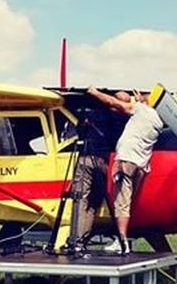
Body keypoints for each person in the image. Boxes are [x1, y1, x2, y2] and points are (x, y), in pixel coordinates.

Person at [87, 87, 165, 254]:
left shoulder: (141, 111)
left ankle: (121, 241)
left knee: (121, 203)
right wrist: (139, 100)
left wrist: (94, 92)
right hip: (141, 165)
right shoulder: (158, 120)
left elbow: (113, 102)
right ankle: (127, 236)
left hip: (126, 162)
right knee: (129, 203)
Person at [61, 104, 114, 255]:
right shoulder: (114, 118)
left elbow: (79, 132)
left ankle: (75, 240)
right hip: (103, 163)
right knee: (93, 203)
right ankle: (82, 239)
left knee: (80, 198)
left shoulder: (88, 118)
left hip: (87, 159)